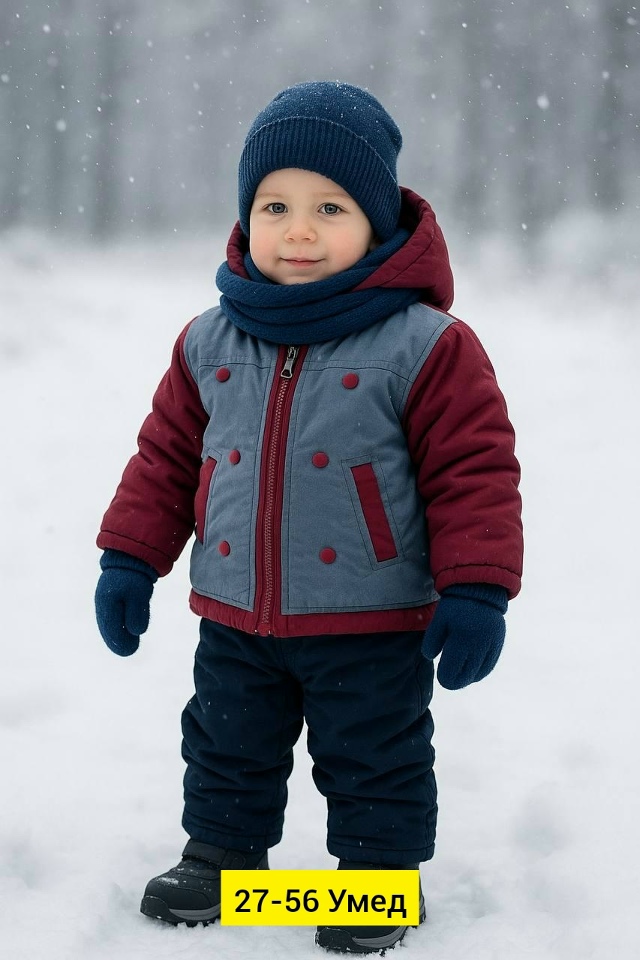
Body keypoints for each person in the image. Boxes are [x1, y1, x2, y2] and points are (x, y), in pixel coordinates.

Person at [95, 80, 523, 955]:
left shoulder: (425, 345)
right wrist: (129, 558)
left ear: (377, 223)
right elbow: (166, 458)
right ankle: (222, 858)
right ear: (246, 216)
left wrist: (478, 588)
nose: (298, 230)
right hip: (236, 609)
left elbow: (473, 471)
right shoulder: (210, 339)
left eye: (330, 208)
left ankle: (378, 881)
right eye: (275, 206)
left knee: (374, 750)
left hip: (369, 613)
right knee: (225, 739)